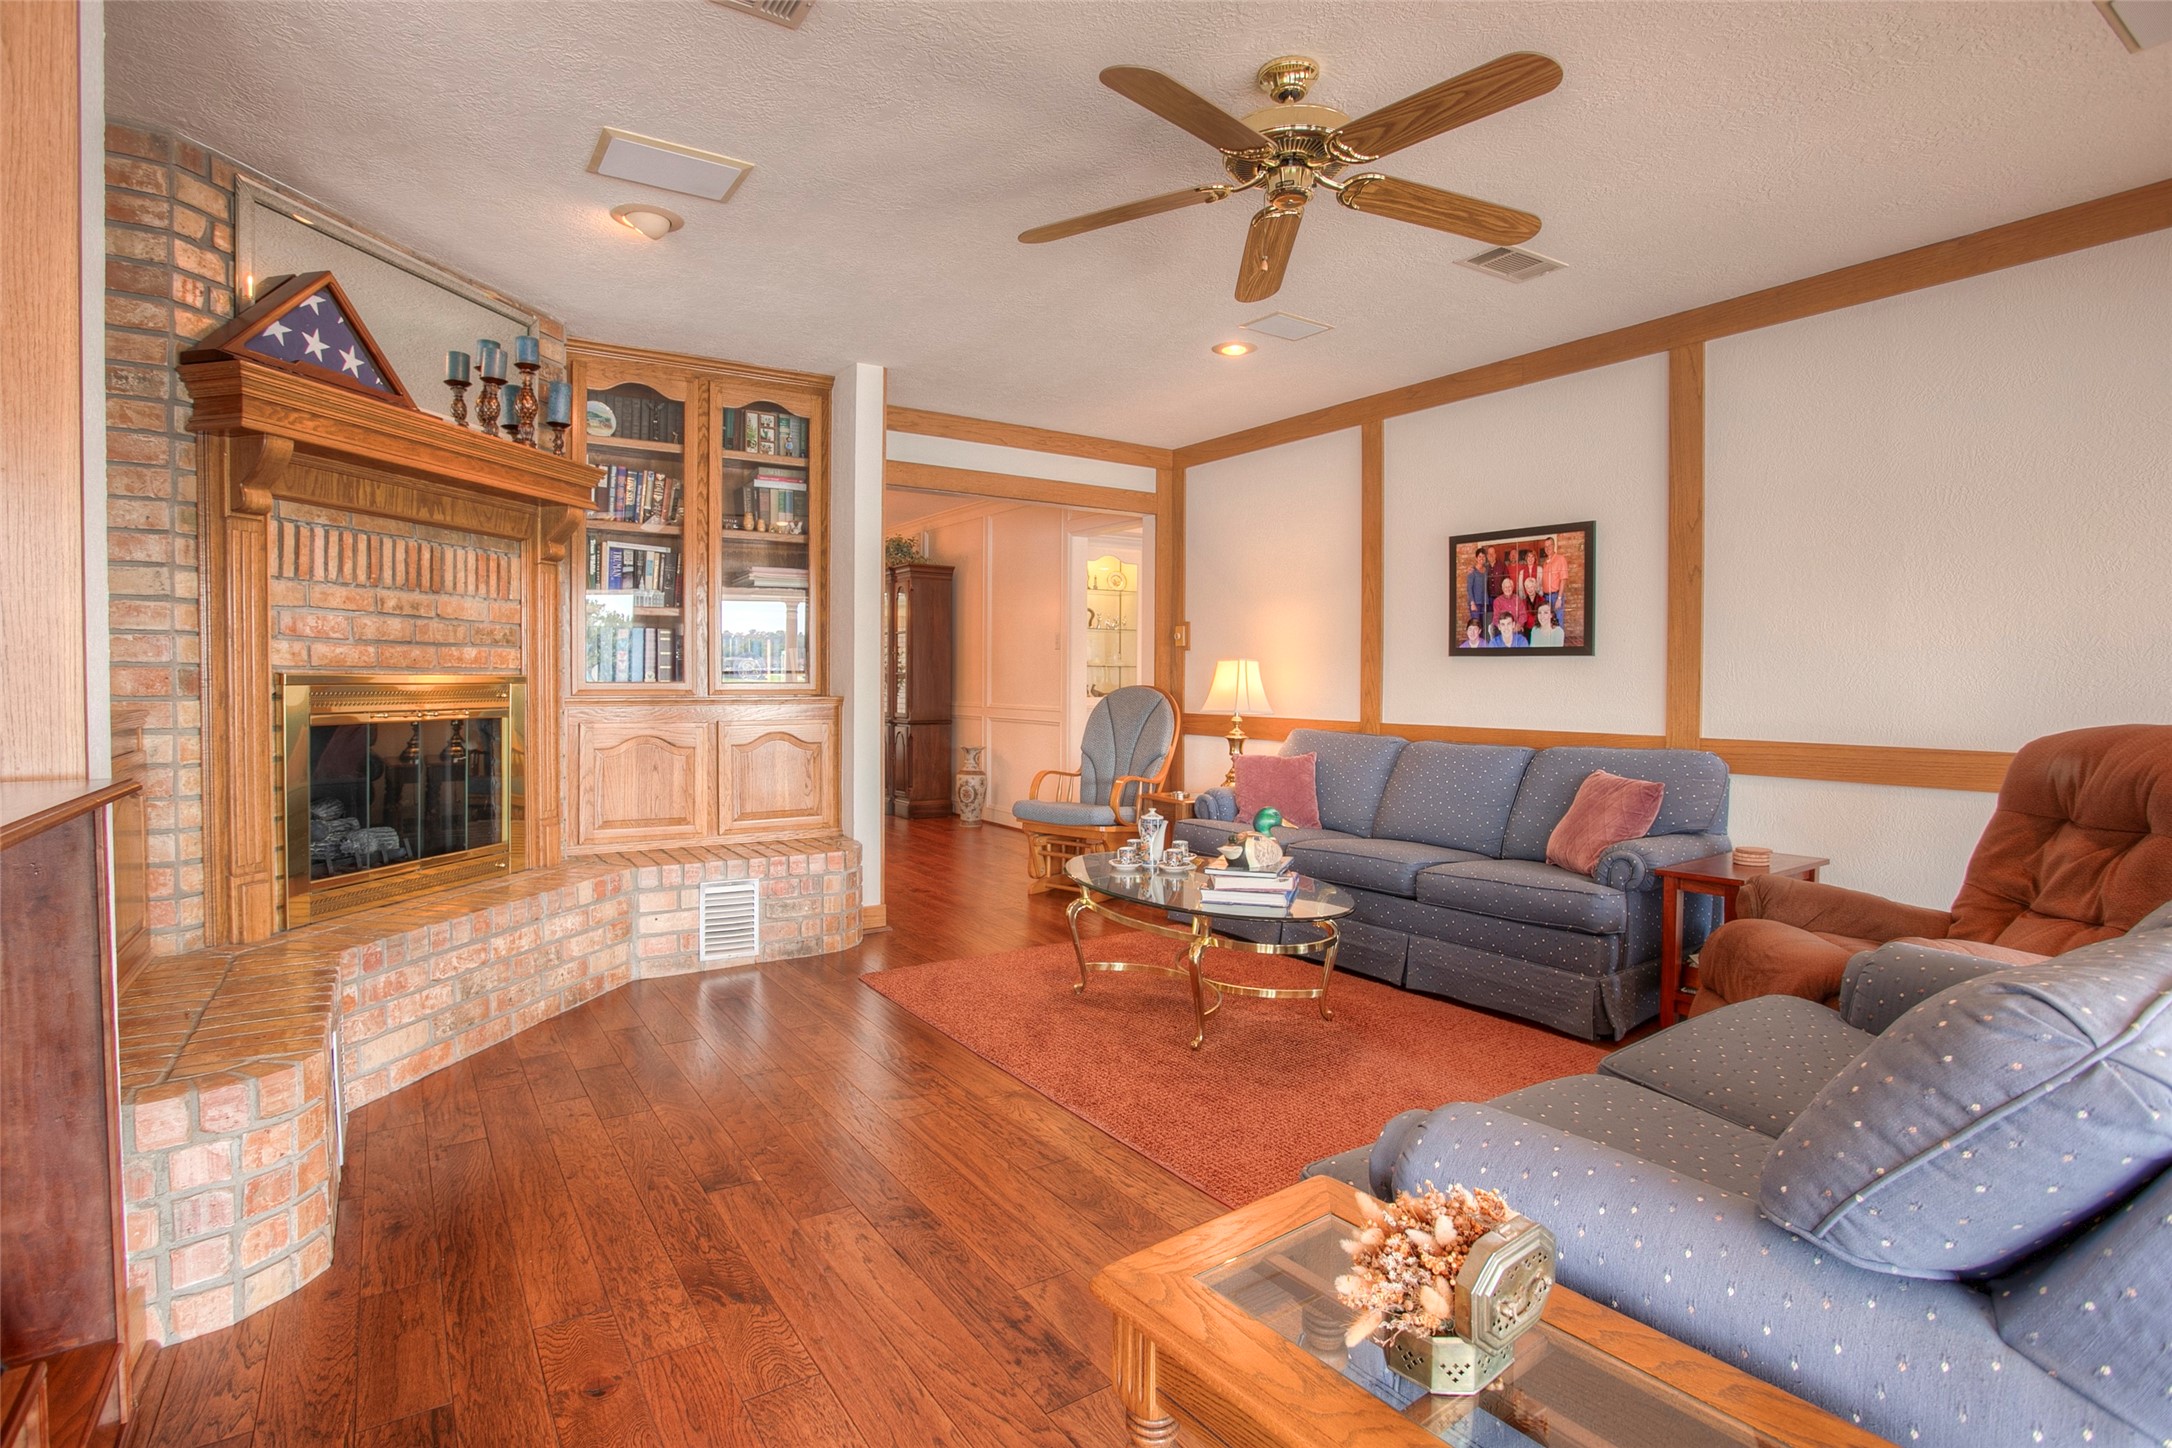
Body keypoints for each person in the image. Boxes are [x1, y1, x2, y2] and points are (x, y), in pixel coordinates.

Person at [1464, 549, 1492, 638]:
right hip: (1475, 603)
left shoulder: (1486, 570)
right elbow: (1469, 588)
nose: (1481, 558)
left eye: (1483, 556)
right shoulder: (1472, 571)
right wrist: (1472, 603)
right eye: (1480, 556)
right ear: (1476, 558)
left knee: (1484, 626)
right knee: (1476, 625)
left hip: (1485, 602)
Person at [1540, 538, 1568, 624]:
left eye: (1550, 545)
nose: (1547, 548)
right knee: (1548, 622)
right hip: (1546, 597)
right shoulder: (1545, 562)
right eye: (1546, 546)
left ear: (1554, 546)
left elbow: (1563, 579)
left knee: (1557, 621)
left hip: (1556, 596)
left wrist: (1559, 598)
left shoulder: (1560, 559)